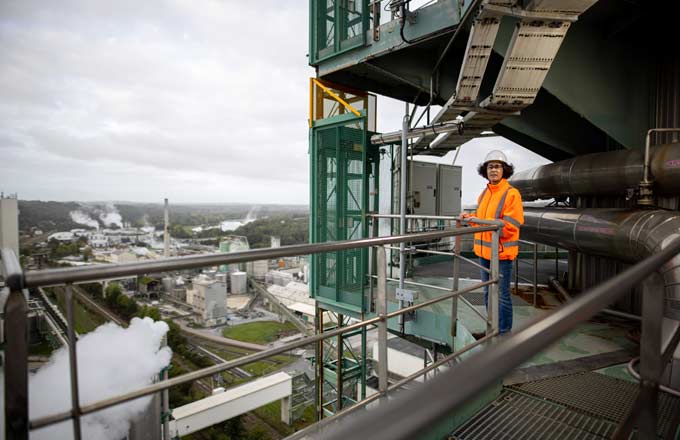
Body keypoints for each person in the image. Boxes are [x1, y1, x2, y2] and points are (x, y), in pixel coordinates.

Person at [460, 150, 524, 334]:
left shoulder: (512, 194)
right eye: (490, 166)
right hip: (484, 253)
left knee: (502, 295)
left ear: (504, 170)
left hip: (501, 253)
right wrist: (470, 217)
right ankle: (492, 328)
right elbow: (484, 217)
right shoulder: (485, 194)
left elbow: (512, 225)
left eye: (497, 166)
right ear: (485, 170)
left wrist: (489, 226)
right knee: (488, 293)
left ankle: (503, 333)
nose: (493, 170)